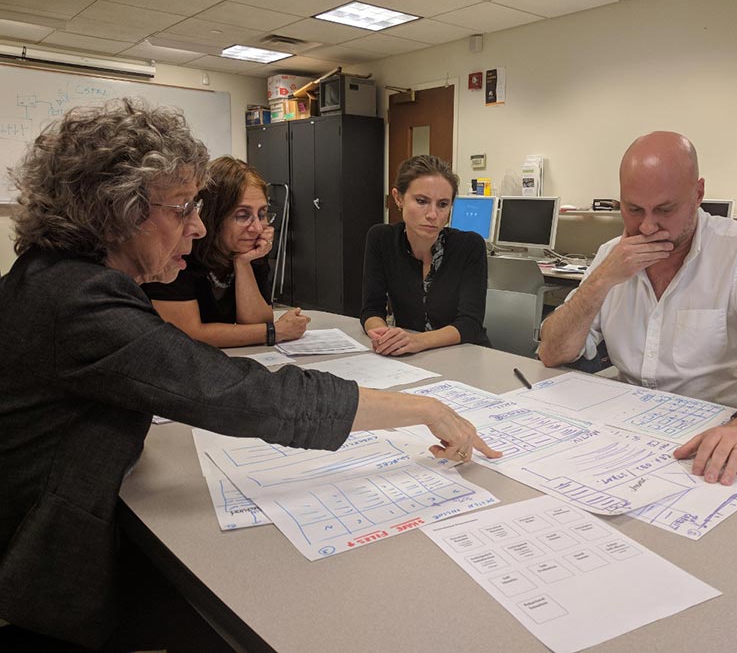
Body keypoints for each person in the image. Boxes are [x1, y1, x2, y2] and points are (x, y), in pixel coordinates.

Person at [0, 99, 500, 650]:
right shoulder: (78, 302)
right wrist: (422, 408)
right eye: (184, 208)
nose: (198, 227)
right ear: (119, 210)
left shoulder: (53, 278)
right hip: (30, 571)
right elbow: (241, 395)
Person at [539, 131, 737, 486]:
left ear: (698, 194)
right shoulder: (611, 254)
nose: (646, 227)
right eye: (632, 210)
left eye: (664, 210)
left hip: (723, 435)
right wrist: (601, 281)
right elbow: (553, 352)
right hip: (627, 436)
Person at [142, 156, 309, 347]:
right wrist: (276, 331)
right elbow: (188, 334)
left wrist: (243, 263)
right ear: (214, 217)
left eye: (262, 214)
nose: (257, 228)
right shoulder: (179, 253)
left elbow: (257, 322)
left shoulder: (249, 249)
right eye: (242, 215)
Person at [360, 155, 490, 355]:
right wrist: (385, 337)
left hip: (463, 354)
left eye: (443, 204)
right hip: (411, 358)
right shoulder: (381, 239)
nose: (432, 214)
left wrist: (417, 341)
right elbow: (371, 309)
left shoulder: (470, 246)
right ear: (398, 198)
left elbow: (470, 323)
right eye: (422, 201)